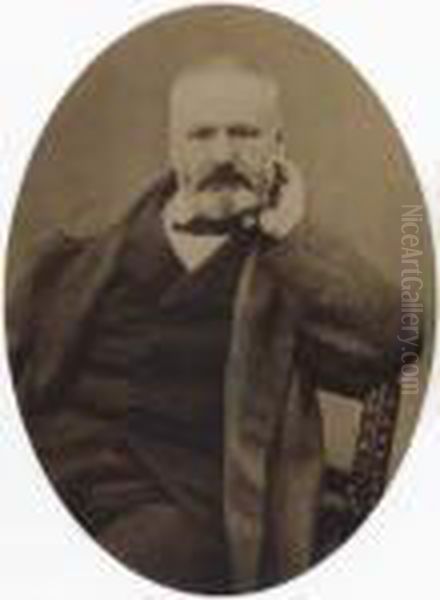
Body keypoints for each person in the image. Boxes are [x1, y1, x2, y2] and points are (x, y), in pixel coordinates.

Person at [6, 57, 408, 593]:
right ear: (174, 148)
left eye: (244, 134)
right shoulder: (89, 246)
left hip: (183, 505)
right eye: (202, 135)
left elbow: (396, 337)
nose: (223, 154)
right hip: (53, 465)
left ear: (278, 146)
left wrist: (291, 237)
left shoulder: (293, 267)